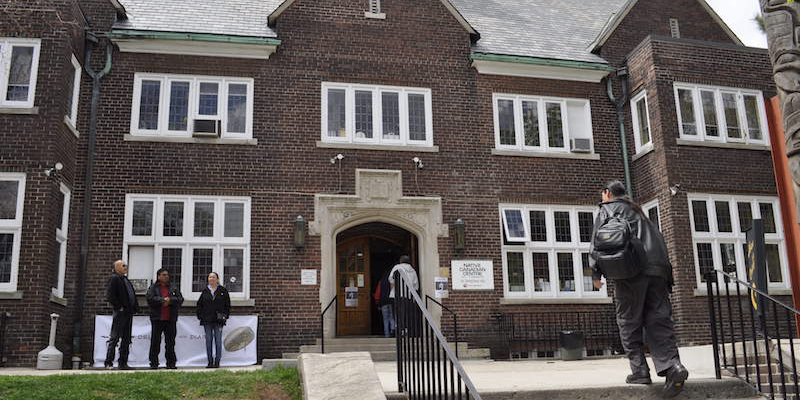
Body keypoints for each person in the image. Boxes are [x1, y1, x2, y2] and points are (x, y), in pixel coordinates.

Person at [590, 180, 688, 398]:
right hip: (659, 271)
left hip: (631, 271)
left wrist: (595, 274)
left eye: (602, 194)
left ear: (607, 193)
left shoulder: (607, 209)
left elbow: (598, 243)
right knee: (659, 319)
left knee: (628, 320)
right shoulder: (639, 212)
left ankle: (640, 371)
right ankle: (673, 367)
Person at [146, 269, 184, 369]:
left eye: (167, 275)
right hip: (157, 319)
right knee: (155, 342)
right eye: (164, 275)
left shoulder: (173, 287)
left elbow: (180, 299)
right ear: (158, 276)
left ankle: (171, 363)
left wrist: (170, 300)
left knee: (170, 343)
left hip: (170, 319)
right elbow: (150, 299)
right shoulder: (153, 287)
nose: (166, 276)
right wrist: (162, 300)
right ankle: (154, 363)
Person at [104, 260, 139, 370]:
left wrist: (134, 307)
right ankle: (109, 362)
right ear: (116, 267)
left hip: (128, 312)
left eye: (126, 265)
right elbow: (110, 295)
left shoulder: (125, 280)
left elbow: (131, 295)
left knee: (126, 338)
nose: (125, 267)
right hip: (120, 313)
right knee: (115, 338)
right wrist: (119, 307)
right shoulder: (114, 279)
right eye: (123, 266)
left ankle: (123, 362)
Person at [196, 272, 231, 368]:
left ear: (217, 279)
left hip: (219, 320)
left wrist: (225, 316)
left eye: (213, 277)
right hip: (207, 320)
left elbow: (227, 305)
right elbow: (199, 305)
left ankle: (217, 361)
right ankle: (210, 362)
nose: (211, 279)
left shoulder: (223, 291)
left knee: (218, 341)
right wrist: (200, 316)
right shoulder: (205, 291)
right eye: (210, 277)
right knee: (208, 341)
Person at [388, 255, 419, 335]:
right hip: (408, 296)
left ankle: (400, 330)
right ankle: (407, 329)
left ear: (401, 261)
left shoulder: (397, 267)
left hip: (398, 295)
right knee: (407, 313)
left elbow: (391, 278)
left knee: (398, 313)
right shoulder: (413, 270)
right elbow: (416, 286)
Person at [373, 270, 394, 338]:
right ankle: (393, 331)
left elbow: (377, 294)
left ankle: (387, 334)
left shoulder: (381, 282)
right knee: (392, 317)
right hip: (391, 301)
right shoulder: (392, 282)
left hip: (383, 303)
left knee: (385, 319)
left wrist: (377, 302)